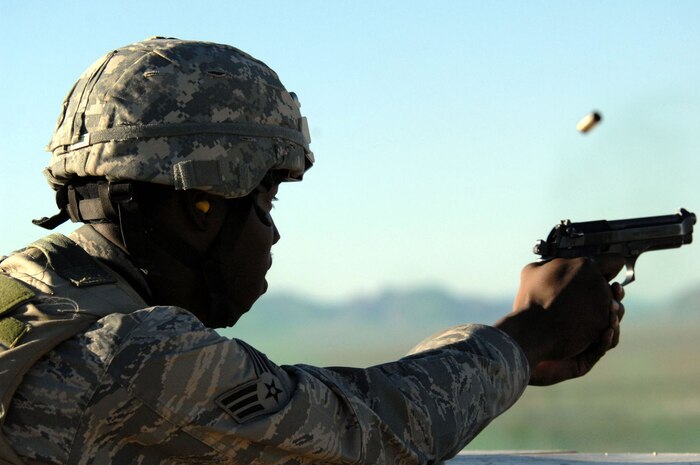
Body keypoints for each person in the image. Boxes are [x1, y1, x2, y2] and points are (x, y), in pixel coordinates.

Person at [0, 37, 624, 465]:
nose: (271, 233)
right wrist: (528, 336)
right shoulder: (130, 353)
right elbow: (368, 433)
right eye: (266, 199)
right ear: (201, 204)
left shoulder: (28, 298)